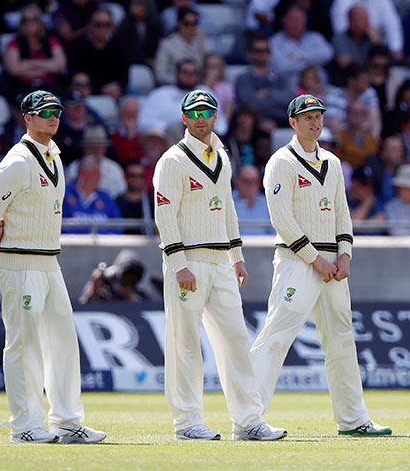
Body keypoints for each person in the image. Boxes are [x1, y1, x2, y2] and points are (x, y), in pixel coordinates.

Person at [250, 94, 392, 437]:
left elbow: (342, 212)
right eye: (307, 117)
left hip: (332, 265)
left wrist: (345, 255)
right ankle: (247, 418)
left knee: (341, 339)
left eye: (318, 116)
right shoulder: (281, 162)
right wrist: (315, 260)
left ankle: (353, 418)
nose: (314, 122)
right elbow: (281, 219)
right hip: (297, 261)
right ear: (292, 123)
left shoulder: (331, 161)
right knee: (277, 334)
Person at [153, 89, 287, 441]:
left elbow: (227, 208)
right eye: (194, 113)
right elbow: (164, 216)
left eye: (206, 112)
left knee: (235, 341)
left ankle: (247, 421)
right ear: (183, 118)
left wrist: (237, 258)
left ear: (215, 116)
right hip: (188, 261)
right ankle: (187, 422)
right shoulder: (173, 160)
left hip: (220, 263)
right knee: (185, 343)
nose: (200, 118)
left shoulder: (221, 155)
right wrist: (179, 263)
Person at [0, 90, 106, 444]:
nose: (53, 116)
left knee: (63, 341)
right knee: (24, 344)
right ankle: (25, 427)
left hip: (50, 262)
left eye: (57, 111)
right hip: (19, 263)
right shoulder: (17, 162)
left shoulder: (54, 157)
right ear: (27, 118)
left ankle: (66, 422)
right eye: (44, 111)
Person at [2, 4, 67, 97]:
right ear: (21, 23)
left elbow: (60, 65)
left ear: (40, 22)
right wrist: (47, 66)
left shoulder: (51, 40)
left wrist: (27, 64)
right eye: (25, 20)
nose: (29, 23)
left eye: (34, 19)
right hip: (23, 89)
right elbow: (13, 69)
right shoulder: (14, 43)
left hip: (51, 88)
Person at [235, 32, 292, 127]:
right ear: (249, 53)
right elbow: (249, 104)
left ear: (270, 53)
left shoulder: (280, 76)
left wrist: (268, 93)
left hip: (283, 120)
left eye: (266, 50)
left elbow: (290, 99)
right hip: (256, 123)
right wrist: (277, 100)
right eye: (258, 51)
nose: (262, 54)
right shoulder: (243, 78)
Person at [63, 155, 122, 234]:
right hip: (72, 244)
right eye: (95, 172)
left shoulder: (105, 197)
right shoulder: (65, 195)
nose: (99, 176)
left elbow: (118, 226)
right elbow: (59, 225)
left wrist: (105, 240)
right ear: (83, 174)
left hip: (103, 244)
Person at [154, 7, 209, 86]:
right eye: (187, 23)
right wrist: (182, 80)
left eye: (194, 23)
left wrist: (205, 42)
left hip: (197, 86)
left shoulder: (201, 41)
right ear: (178, 23)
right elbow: (160, 74)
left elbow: (211, 64)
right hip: (174, 87)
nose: (190, 27)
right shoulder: (167, 44)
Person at [232, 164, 274, 235]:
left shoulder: (269, 204)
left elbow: (275, 234)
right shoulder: (226, 203)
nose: (250, 185)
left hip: (264, 245)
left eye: (255, 181)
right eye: (245, 181)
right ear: (237, 181)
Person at [116, 162, 153, 235]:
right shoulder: (117, 202)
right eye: (132, 175)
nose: (137, 179)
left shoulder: (151, 202)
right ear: (125, 177)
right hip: (122, 243)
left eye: (141, 176)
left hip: (147, 244)